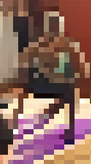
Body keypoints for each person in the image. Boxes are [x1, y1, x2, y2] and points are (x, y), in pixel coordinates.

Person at [12, 11, 87, 145]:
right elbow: (82, 69)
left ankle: (63, 122)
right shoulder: (60, 45)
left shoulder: (65, 45)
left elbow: (82, 69)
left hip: (48, 86)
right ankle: (65, 125)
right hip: (42, 85)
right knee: (70, 88)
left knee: (69, 88)